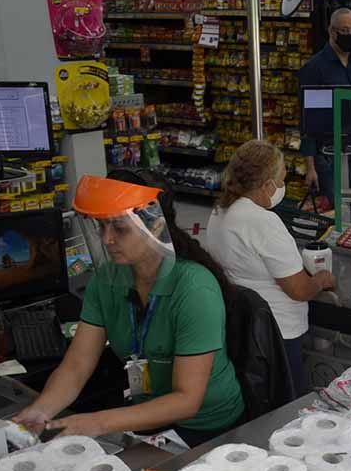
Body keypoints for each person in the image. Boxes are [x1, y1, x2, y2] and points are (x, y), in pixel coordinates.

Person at [14, 174, 244, 446]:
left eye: (119, 229)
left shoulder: (194, 289)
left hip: (207, 429)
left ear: (156, 226)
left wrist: (98, 422)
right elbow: (77, 365)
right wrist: (40, 412)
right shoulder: (107, 280)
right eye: (101, 227)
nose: (107, 239)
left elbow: (187, 400)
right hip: (145, 419)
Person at [204, 140, 335, 395]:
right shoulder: (263, 222)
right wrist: (321, 280)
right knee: (289, 400)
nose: (282, 187)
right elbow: (298, 289)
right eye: (281, 180)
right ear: (266, 185)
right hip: (279, 332)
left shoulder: (220, 211)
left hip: (244, 326)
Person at [297, 7, 351, 205]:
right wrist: (310, 167)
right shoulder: (316, 69)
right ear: (331, 31)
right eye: (345, 31)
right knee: (338, 214)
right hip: (327, 156)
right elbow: (309, 121)